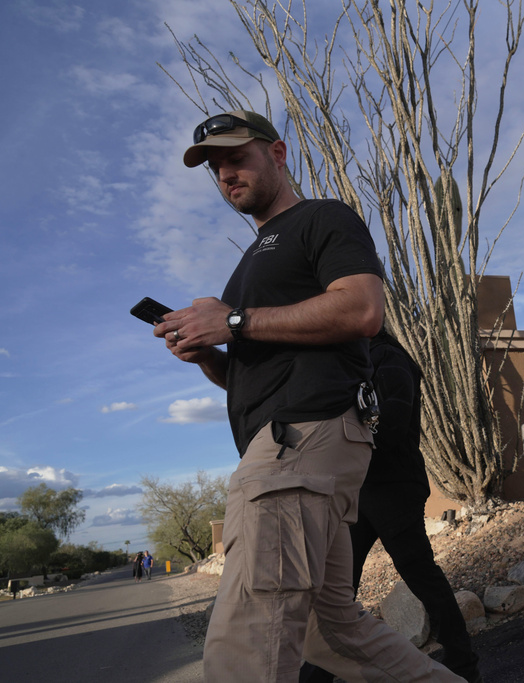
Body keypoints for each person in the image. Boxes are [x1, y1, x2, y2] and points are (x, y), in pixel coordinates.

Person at [152, 110, 464, 682]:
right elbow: (254, 374)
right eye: (215, 167)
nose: (225, 175)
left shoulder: (322, 219)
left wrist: (235, 321)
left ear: (277, 153)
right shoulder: (247, 264)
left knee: (246, 642)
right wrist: (210, 357)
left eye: (235, 157)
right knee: (331, 631)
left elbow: (362, 309)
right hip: (285, 444)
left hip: (300, 445)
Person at [300, 329, 482, 683]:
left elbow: (392, 423)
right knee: (338, 588)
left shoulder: (388, 358)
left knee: (421, 576)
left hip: (393, 486)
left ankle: (463, 665)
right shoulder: (357, 361)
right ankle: (317, 675)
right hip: (360, 488)